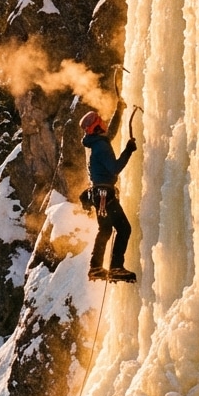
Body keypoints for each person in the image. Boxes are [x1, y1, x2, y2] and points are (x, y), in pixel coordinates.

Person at [80, 108, 137, 282]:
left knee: (105, 229)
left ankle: (97, 267)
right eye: (101, 122)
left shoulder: (98, 143)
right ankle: (115, 267)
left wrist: (119, 110)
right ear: (97, 127)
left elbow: (110, 132)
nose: (104, 123)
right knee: (123, 228)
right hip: (105, 194)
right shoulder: (101, 146)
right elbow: (115, 168)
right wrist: (128, 150)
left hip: (100, 194)